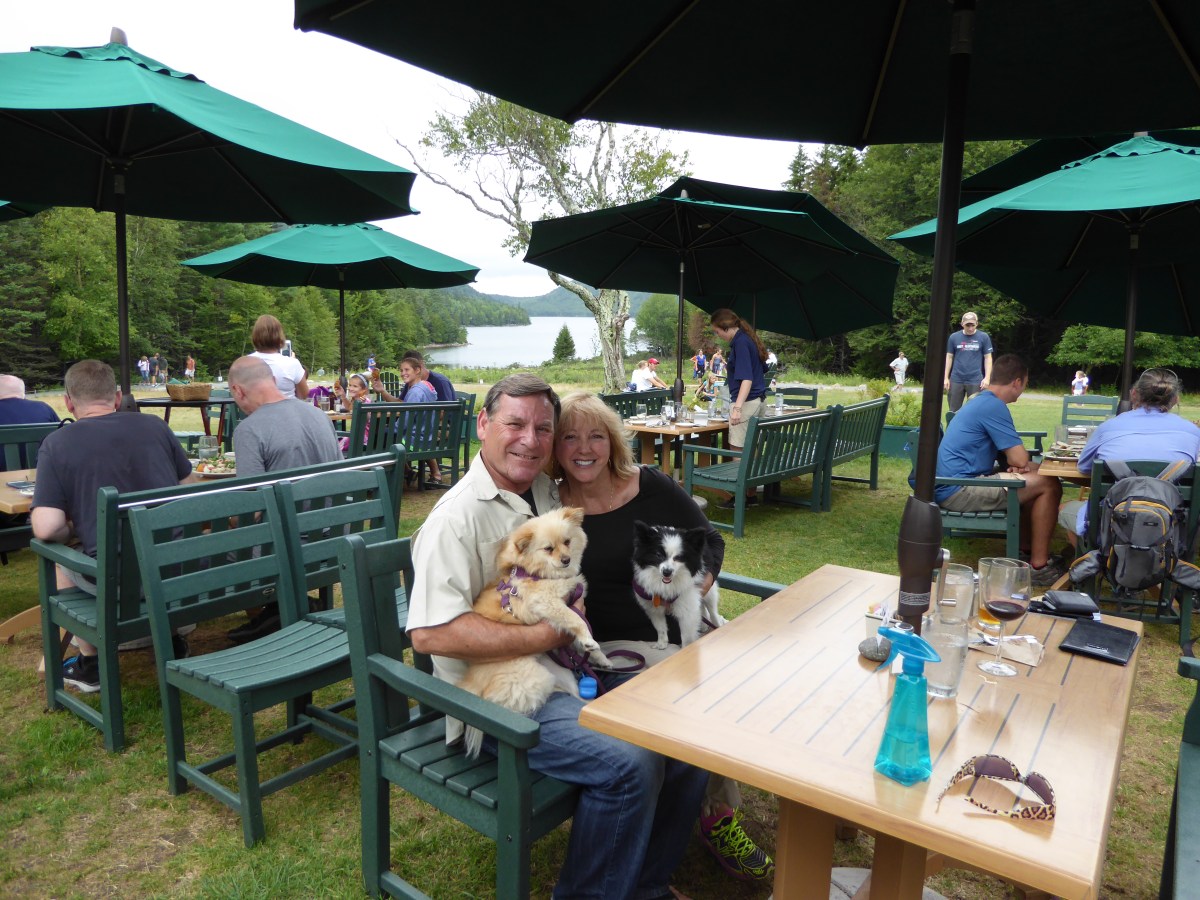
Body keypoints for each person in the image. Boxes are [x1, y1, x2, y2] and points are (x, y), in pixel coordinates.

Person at [408, 374, 707, 900]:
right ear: (483, 424)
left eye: (543, 428)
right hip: (499, 698)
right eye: (515, 424)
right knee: (630, 763)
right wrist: (547, 634)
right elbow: (430, 635)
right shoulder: (454, 519)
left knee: (686, 738)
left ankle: (645, 886)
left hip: (569, 671)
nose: (530, 439)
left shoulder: (543, 491)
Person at [552, 391, 775, 883]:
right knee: (693, 707)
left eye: (596, 436)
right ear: (555, 447)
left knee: (728, 686)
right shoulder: (550, 503)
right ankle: (683, 837)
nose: (584, 448)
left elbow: (709, 540)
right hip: (615, 648)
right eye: (569, 437)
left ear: (613, 443)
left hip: (679, 630)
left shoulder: (649, 485)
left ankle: (713, 815)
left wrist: (694, 589)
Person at [30, 360, 196, 692]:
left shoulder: (57, 443)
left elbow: (46, 529)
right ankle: (172, 640)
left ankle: (91, 664)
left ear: (68, 402)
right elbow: (189, 490)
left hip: (120, 581)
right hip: (178, 568)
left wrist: (73, 528)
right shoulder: (155, 426)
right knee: (145, 544)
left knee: (59, 557)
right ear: (117, 397)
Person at [226, 356, 343, 642]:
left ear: (238, 391)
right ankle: (277, 611)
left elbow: (249, 512)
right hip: (335, 537)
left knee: (213, 544)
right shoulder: (318, 415)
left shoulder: (249, 429)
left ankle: (272, 612)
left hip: (289, 549)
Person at [934, 354, 1065, 585]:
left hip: (954, 482)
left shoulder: (980, 399)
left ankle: (1026, 550)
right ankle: (1039, 566)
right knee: (1049, 483)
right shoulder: (993, 406)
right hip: (960, 490)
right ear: (1017, 382)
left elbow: (1014, 459)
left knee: (1042, 475)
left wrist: (1017, 465)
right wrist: (1018, 464)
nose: (1023, 390)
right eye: (1025, 384)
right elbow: (1020, 458)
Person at [1058, 368, 1200, 548]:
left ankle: (1099, 558)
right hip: (1171, 526)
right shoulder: (1192, 432)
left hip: (1111, 522)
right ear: (1176, 399)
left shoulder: (1109, 427)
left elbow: (1084, 468)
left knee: (1066, 509)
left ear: (1134, 394)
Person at [710, 308, 768, 510]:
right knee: (751, 450)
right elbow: (761, 369)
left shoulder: (741, 343)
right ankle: (750, 496)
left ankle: (740, 497)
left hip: (747, 402)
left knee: (738, 450)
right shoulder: (748, 339)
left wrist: (737, 408)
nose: (718, 335)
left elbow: (747, 379)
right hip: (758, 400)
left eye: (717, 331)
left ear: (726, 328)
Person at [248, 314, 309, 400]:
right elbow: (303, 395)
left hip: (256, 408)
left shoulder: (245, 363)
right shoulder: (292, 363)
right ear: (280, 336)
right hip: (287, 407)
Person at [943, 311, 994, 412]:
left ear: (977, 324)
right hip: (956, 379)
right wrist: (945, 378)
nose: (970, 328)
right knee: (953, 411)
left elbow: (988, 358)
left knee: (974, 410)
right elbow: (949, 357)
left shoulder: (984, 337)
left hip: (975, 380)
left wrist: (987, 378)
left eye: (972, 325)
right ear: (962, 324)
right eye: (967, 325)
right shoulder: (954, 337)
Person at [332, 372, 373, 453]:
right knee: (334, 442)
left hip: (361, 440)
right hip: (357, 437)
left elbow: (367, 418)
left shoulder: (364, 401)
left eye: (355, 386)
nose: (351, 388)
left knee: (333, 446)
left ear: (364, 390)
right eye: (350, 385)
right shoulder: (356, 400)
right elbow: (350, 408)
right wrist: (343, 395)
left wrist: (363, 408)